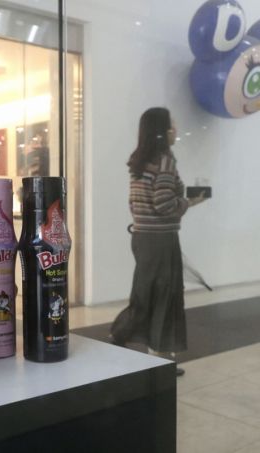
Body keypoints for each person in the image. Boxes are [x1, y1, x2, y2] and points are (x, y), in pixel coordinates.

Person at [110, 107, 206, 376]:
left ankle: (125, 338)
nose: (175, 130)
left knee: (144, 294)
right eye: (171, 126)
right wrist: (190, 202)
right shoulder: (165, 160)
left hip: (142, 237)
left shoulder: (139, 161)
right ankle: (162, 358)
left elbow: (135, 201)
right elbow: (164, 204)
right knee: (166, 295)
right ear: (162, 132)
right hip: (161, 240)